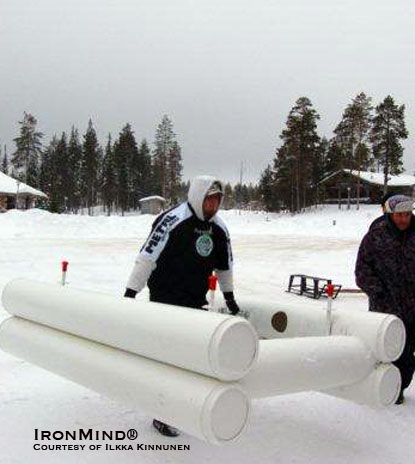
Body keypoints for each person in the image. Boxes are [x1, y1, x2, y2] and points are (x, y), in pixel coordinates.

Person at [124, 175, 240, 436]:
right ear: (199, 198)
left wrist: (230, 297)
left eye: (217, 201)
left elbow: (225, 266)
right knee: (167, 358)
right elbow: (146, 257)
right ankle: (162, 412)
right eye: (209, 200)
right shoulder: (172, 220)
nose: (213, 206)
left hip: (194, 299)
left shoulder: (219, 229)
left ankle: (186, 403)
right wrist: (130, 293)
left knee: (190, 356)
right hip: (165, 298)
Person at [355, 194, 415, 404]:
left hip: (412, 308)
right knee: (386, 352)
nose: (403, 219)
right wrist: (378, 292)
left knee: (408, 355)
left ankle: (400, 386)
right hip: (385, 310)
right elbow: (362, 271)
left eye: (407, 215)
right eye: (399, 215)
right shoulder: (374, 237)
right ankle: (386, 389)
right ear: (390, 214)